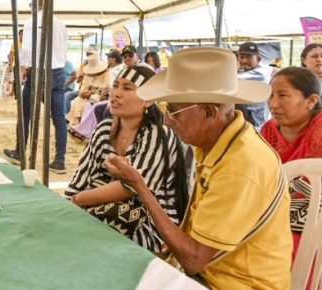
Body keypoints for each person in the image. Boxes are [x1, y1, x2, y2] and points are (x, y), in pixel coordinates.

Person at [106, 47, 291, 288]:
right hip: (210, 273)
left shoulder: (241, 165)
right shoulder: (217, 140)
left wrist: (140, 186)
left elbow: (193, 259)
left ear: (209, 112)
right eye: (164, 110)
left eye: (173, 112)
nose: (167, 121)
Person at [65, 66, 189, 252]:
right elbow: (82, 177)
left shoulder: (158, 134)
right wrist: (70, 202)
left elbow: (130, 187)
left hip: (154, 222)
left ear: (148, 101)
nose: (117, 94)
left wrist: (78, 200)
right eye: (115, 86)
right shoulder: (104, 129)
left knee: (92, 235)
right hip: (104, 208)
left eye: (128, 88)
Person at [261, 67, 322, 264]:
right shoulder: (268, 129)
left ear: (312, 101)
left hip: (312, 224)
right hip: (272, 215)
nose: (273, 104)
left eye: (282, 96)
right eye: (271, 96)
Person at [3, 0, 69, 174]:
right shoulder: (60, 23)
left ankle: (19, 152)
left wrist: (25, 68)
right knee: (59, 118)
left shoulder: (31, 21)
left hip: (39, 72)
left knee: (25, 115)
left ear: (34, 5)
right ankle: (60, 160)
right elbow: (64, 50)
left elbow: (28, 50)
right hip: (59, 72)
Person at [65, 53, 110, 125]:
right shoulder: (88, 74)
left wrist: (92, 91)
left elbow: (106, 89)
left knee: (87, 104)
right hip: (88, 96)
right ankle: (81, 126)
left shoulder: (107, 74)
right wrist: (83, 93)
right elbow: (83, 88)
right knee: (77, 101)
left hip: (100, 97)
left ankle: (86, 126)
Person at [236, 41, 272, 131]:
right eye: (242, 57)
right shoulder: (243, 72)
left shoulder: (259, 74)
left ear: (258, 59)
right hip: (246, 118)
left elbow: (229, 81)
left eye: (249, 57)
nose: (244, 61)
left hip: (255, 122)